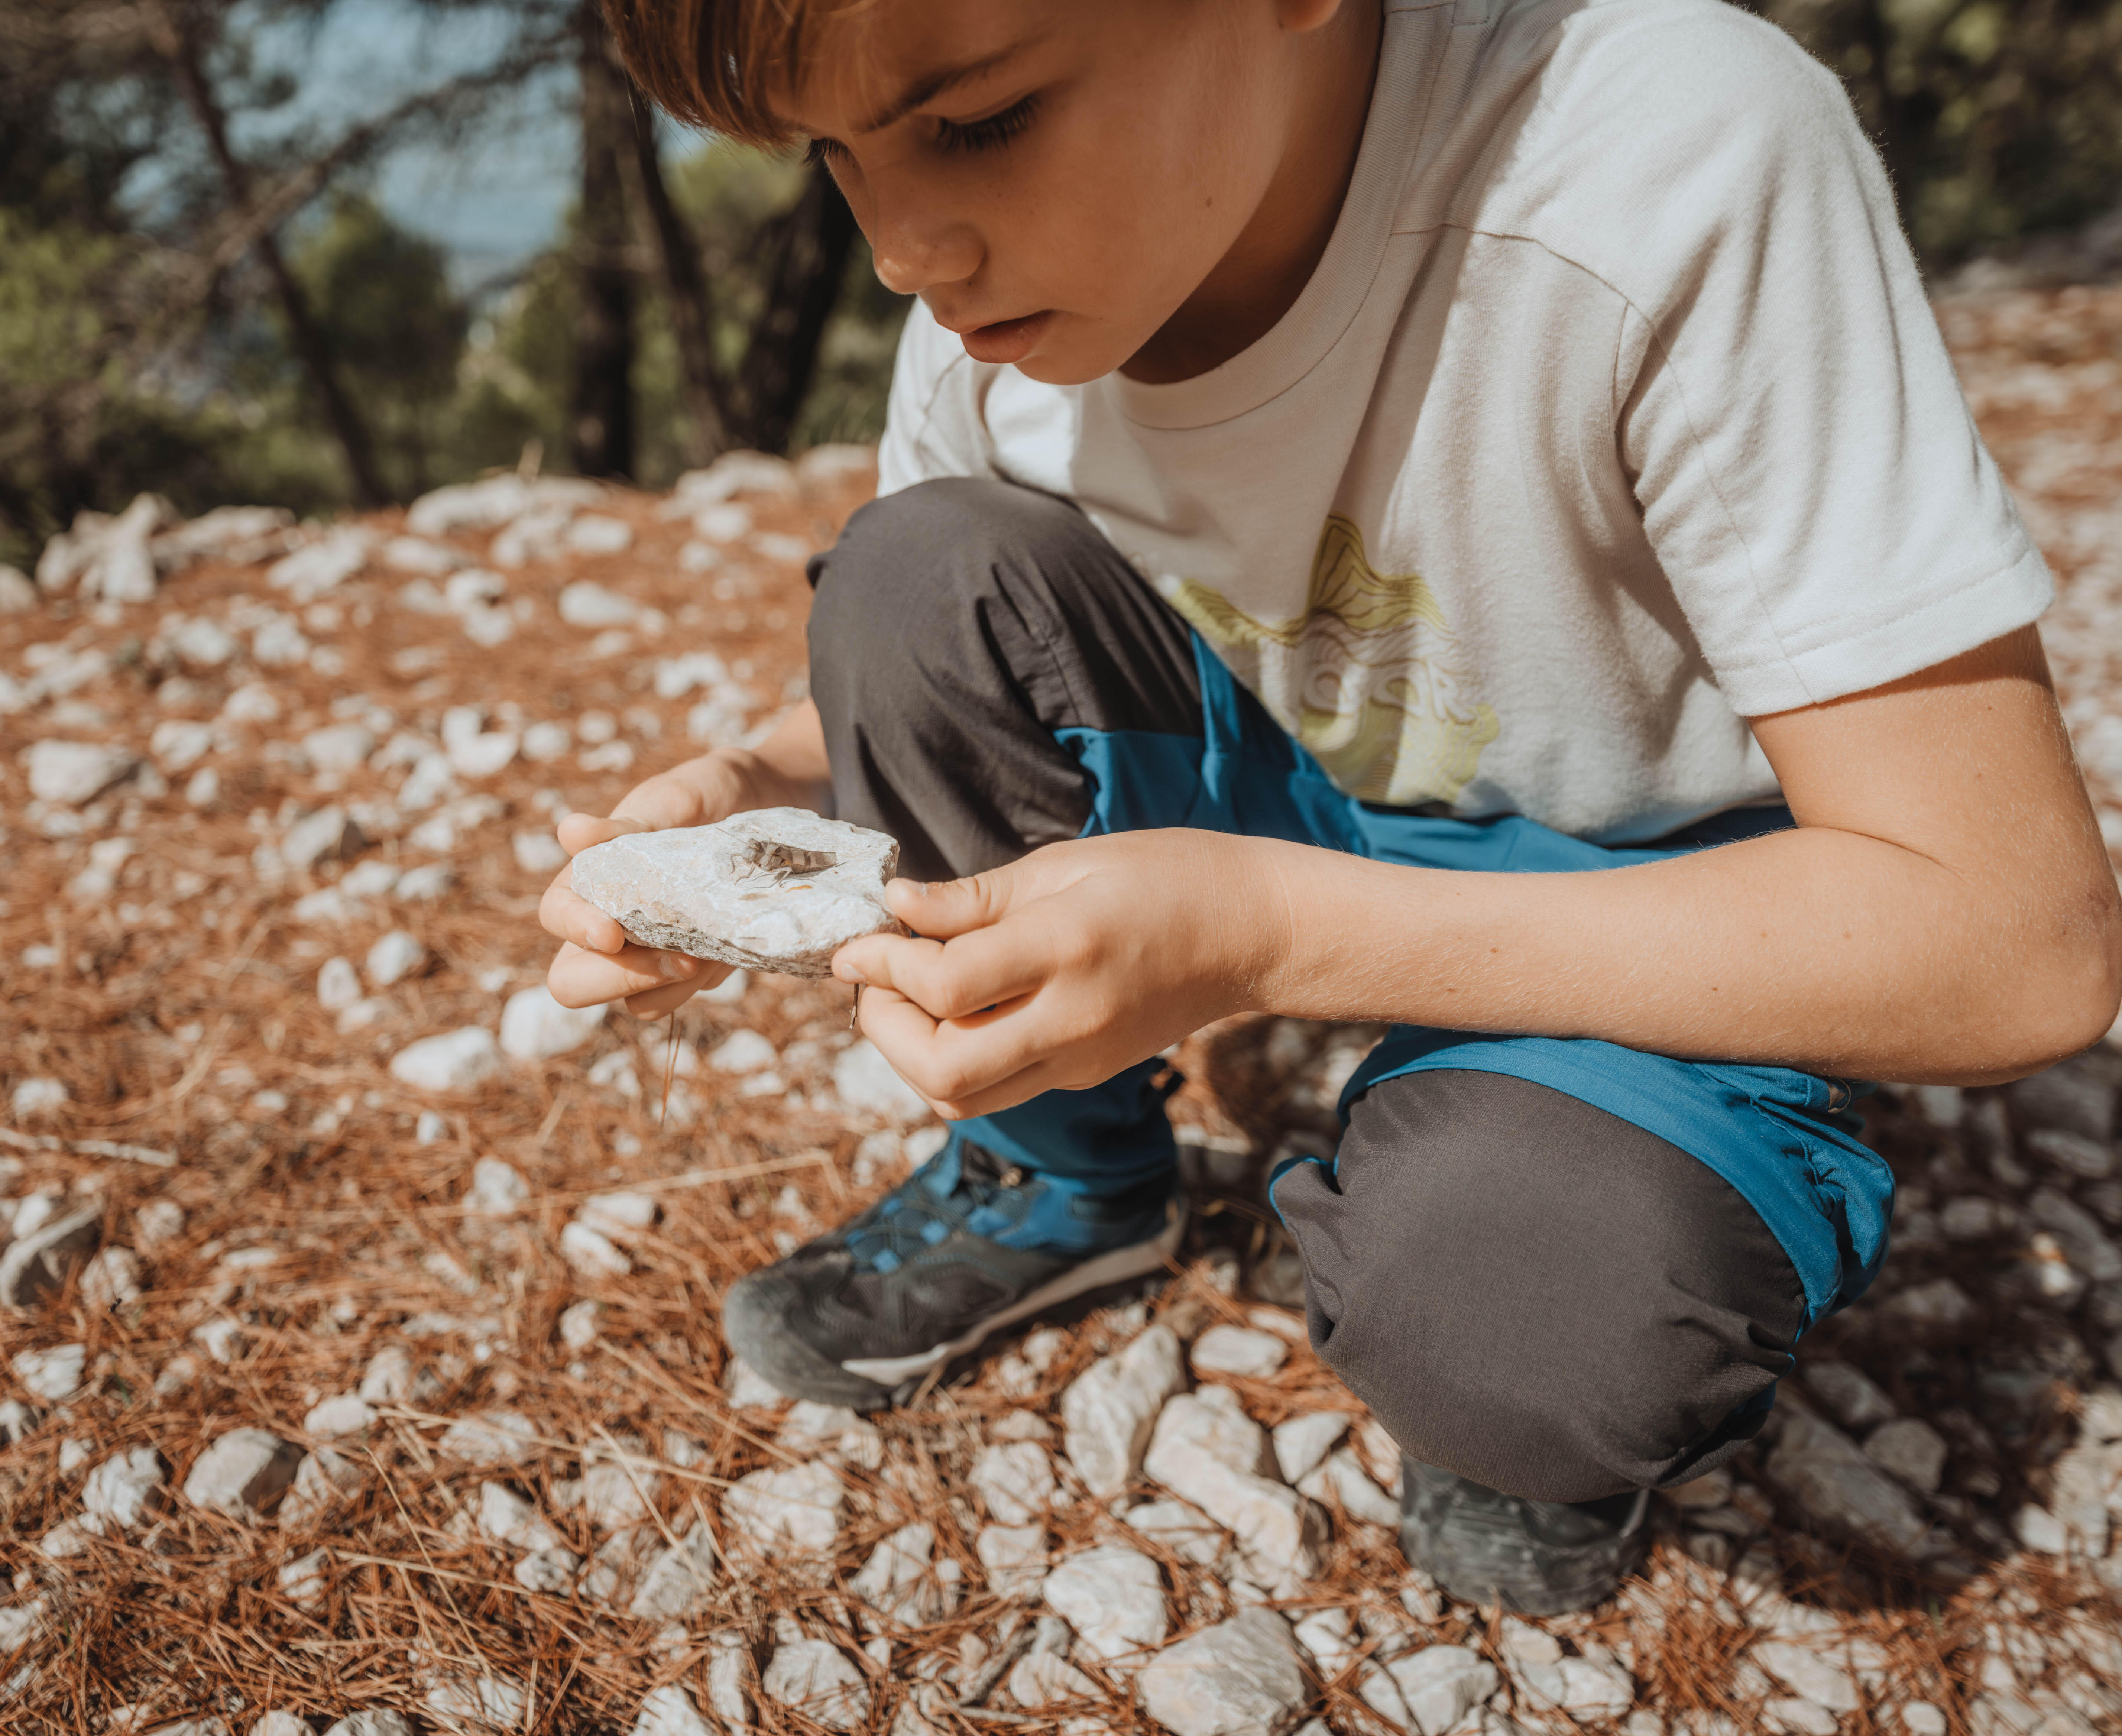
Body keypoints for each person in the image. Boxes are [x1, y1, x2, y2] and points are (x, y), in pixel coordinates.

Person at [539, 0, 2121, 1613]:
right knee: (910, 573)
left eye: (978, 124)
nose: (901, 251)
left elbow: (2016, 937)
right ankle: (1066, 1179)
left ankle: (1550, 1167)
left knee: (1526, 1319)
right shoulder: (1011, 285)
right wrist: (754, 780)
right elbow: (964, 632)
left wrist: (1274, 933)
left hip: (1659, 876)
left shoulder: (1659, 156)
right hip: (1297, 779)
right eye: (835, 157)